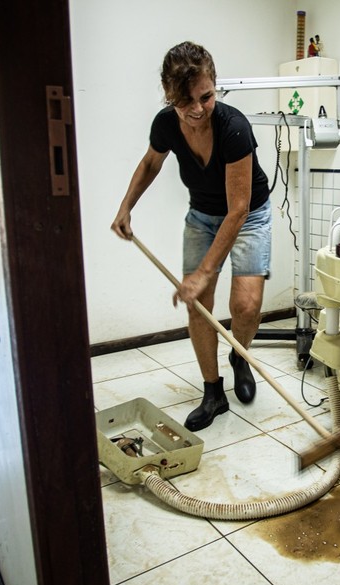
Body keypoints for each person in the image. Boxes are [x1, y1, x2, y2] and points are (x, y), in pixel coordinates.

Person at [111, 41, 272, 432]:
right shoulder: (166, 124)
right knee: (198, 304)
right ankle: (213, 392)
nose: (198, 109)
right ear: (170, 96)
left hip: (248, 215)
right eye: (186, 101)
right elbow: (151, 161)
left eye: (206, 96)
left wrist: (203, 271)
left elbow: (238, 210)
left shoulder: (234, 128)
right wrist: (125, 206)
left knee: (246, 307)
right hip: (202, 216)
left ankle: (240, 354)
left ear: (214, 86)